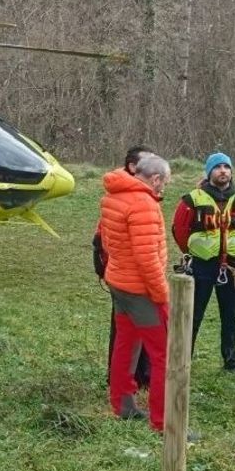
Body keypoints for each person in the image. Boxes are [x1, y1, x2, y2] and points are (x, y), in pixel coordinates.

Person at [99, 154, 172, 430]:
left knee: (126, 344)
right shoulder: (144, 205)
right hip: (141, 290)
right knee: (164, 353)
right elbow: (147, 259)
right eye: (164, 182)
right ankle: (163, 420)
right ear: (155, 179)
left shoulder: (112, 196)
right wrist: (162, 295)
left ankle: (122, 404)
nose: (164, 188)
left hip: (119, 282)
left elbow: (106, 241)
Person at [171, 152, 235, 373]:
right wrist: (195, 251)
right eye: (217, 167)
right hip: (202, 264)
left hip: (233, 266)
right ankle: (182, 361)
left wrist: (231, 250)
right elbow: (180, 229)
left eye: (226, 167)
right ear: (209, 172)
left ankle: (232, 363)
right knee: (193, 314)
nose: (223, 171)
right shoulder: (192, 199)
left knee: (232, 317)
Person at [93, 146, 154, 391]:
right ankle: (124, 381)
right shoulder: (125, 196)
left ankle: (138, 377)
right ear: (132, 167)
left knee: (138, 329)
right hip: (128, 275)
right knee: (128, 330)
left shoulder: (139, 193)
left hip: (129, 273)